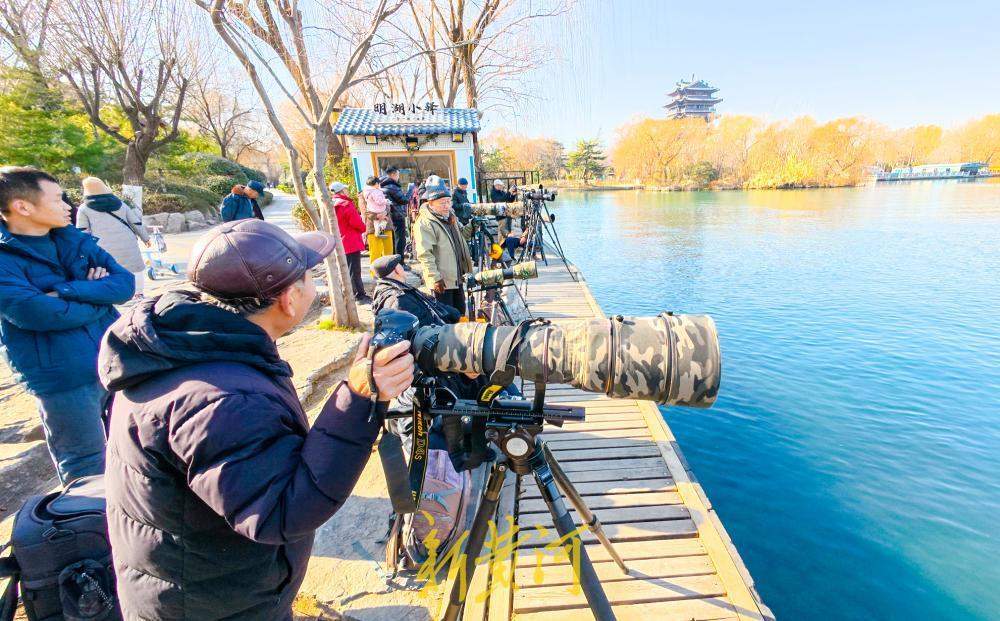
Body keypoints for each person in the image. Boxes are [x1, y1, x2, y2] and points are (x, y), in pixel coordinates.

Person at [99, 219, 414, 620]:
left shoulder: (185, 342)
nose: (313, 285)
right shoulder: (222, 401)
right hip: (214, 604)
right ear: (288, 298)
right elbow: (280, 510)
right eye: (309, 275)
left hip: (193, 580)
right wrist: (357, 400)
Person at [0, 166, 135, 484]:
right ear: (23, 206)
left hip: (114, 363)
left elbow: (124, 284)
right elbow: (33, 312)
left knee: (133, 450)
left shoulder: (73, 239)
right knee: (86, 468)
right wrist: (97, 299)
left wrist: (66, 290)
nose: (68, 206)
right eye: (59, 198)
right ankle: (92, 530)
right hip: (64, 380)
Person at [76, 176, 150, 296]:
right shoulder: (120, 203)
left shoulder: (84, 209)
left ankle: (116, 295)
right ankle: (138, 294)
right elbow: (135, 222)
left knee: (109, 270)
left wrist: (83, 250)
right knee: (135, 268)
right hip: (128, 243)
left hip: (103, 246)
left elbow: (82, 232)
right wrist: (145, 238)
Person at [412, 178, 473, 314]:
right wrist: (434, 278)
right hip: (442, 281)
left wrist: (472, 226)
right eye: (442, 203)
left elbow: (462, 235)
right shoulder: (424, 223)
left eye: (448, 202)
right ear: (431, 203)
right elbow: (424, 254)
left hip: (456, 277)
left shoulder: (450, 217)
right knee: (447, 320)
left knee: (460, 314)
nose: (447, 206)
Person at [371, 254, 462, 324]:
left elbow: (432, 302)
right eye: (400, 266)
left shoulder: (393, 289)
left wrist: (456, 315)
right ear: (397, 270)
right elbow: (424, 325)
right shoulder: (399, 299)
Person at [330, 181, 370, 304]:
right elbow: (356, 222)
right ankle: (359, 295)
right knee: (355, 270)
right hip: (351, 240)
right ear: (341, 191)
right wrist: (364, 227)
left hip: (340, 240)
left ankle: (351, 293)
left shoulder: (331, 204)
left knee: (347, 269)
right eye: (345, 189)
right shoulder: (346, 204)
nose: (347, 191)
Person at [380, 166, 409, 265]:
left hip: (389, 216)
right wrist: (410, 192)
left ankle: (394, 262)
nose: (398, 177)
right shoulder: (392, 186)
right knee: (400, 239)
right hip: (397, 215)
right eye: (398, 175)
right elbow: (404, 200)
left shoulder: (382, 185)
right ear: (393, 175)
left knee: (392, 239)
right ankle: (400, 262)